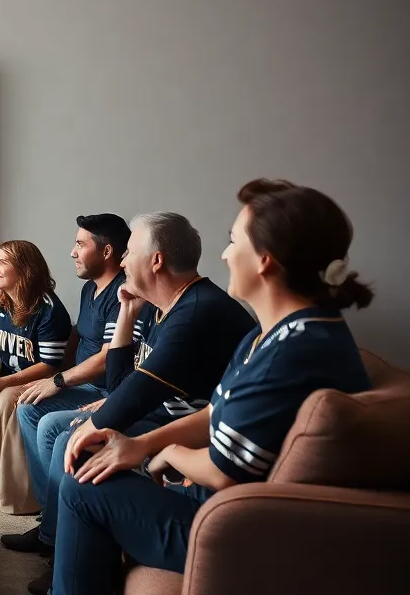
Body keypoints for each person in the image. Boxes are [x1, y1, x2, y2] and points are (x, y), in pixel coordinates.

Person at [52, 181, 373, 594]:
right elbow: (215, 412)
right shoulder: (276, 334)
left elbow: (223, 473)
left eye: (232, 241)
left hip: (233, 529)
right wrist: (146, 445)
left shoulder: (292, 353)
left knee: (83, 489)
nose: (222, 254)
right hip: (215, 506)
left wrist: (166, 452)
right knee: (90, 469)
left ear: (265, 261)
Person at [23, 212, 255, 595]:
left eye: (130, 252)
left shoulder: (197, 312)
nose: (124, 261)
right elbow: (119, 386)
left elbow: (125, 398)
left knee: (75, 441)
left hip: (185, 430)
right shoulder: (158, 305)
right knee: (73, 436)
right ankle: (63, 548)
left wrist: (94, 429)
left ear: (156, 261)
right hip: (168, 418)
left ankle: (66, 554)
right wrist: (128, 313)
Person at [3, 214, 132, 554]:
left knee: (48, 424)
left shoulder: (122, 293)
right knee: (28, 407)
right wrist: (51, 375)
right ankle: (51, 518)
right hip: (84, 386)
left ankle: (54, 534)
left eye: (80, 244)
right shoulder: (91, 288)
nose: (72, 252)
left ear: (106, 252)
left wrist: (58, 380)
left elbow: (107, 356)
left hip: (105, 391)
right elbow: (79, 335)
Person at [0, 241, 72, 511]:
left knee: (4, 399)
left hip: (43, 382)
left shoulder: (49, 309)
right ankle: (5, 466)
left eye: (3, 263)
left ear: (25, 270)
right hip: (11, 376)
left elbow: (49, 365)